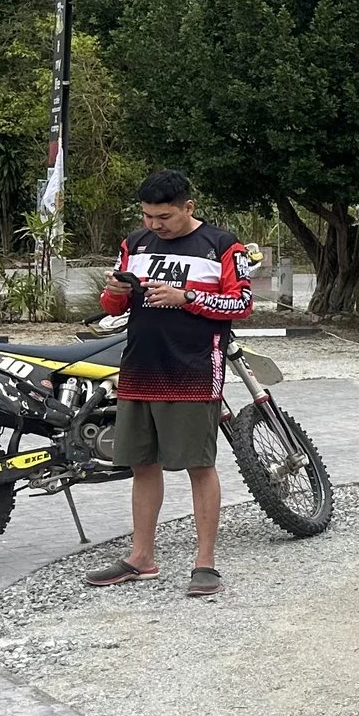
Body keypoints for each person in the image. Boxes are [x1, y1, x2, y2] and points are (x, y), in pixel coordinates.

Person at [82, 169, 253, 597]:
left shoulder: (221, 244)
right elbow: (111, 304)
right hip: (140, 364)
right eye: (147, 216)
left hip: (194, 367)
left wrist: (188, 297)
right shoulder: (134, 244)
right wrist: (116, 293)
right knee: (142, 463)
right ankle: (141, 557)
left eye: (164, 217)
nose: (154, 225)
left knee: (199, 464)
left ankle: (205, 562)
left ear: (188, 207)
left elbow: (243, 303)